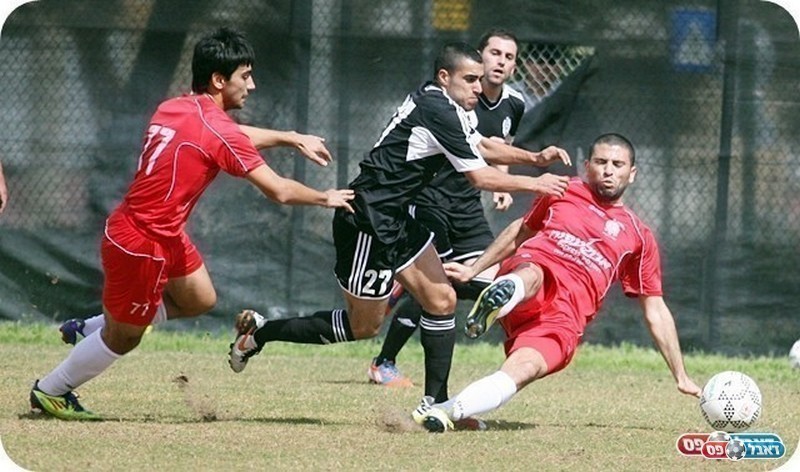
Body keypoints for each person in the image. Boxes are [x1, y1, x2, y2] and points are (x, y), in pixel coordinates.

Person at [29, 27, 355, 421]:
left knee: (199, 299)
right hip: (142, 242)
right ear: (219, 80)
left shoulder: (176, 107)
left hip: (159, 233)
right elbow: (279, 191)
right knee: (124, 339)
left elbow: (230, 135)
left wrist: (289, 137)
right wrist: (325, 197)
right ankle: (51, 390)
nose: (252, 85)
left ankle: (91, 327)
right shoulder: (217, 129)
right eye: (245, 76)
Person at [227, 42, 571, 413]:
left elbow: (481, 146)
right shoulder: (438, 109)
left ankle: (435, 404)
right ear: (444, 77)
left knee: (442, 300)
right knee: (363, 327)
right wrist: (536, 183)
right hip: (368, 221)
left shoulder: (449, 105)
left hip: (398, 218)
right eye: (470, 79)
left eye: (479, 79)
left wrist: (534, 158)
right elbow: (479, 176)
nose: (478, 86)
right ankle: (261, 332)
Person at [412, 133, 702, 432]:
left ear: (632, 173)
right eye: (601, 162)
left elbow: (655, 309)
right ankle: (507, 293)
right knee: (537, 272)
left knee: (525, 369)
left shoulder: (639, 236)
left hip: (564, 318)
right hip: (534, 275)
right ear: (586, 166)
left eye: (618, 164)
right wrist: (474, 270)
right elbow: (521, 231)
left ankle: (446, 412)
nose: (608, 170)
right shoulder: (563, 190)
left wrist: (680, 374)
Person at [367, 29, 528, 389]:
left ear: (514, 66)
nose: (500, 62)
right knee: (438, 288)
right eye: (494, 53)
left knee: (488, 280)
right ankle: (384, 362)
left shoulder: (514, 104)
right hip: (429, 201)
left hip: (467, 207)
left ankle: (403, 289)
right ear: (478, 58)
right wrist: (532, 178)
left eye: (509, 57)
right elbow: (475, 155)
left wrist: (505, 179)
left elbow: (498, 147)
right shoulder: (451, 100)